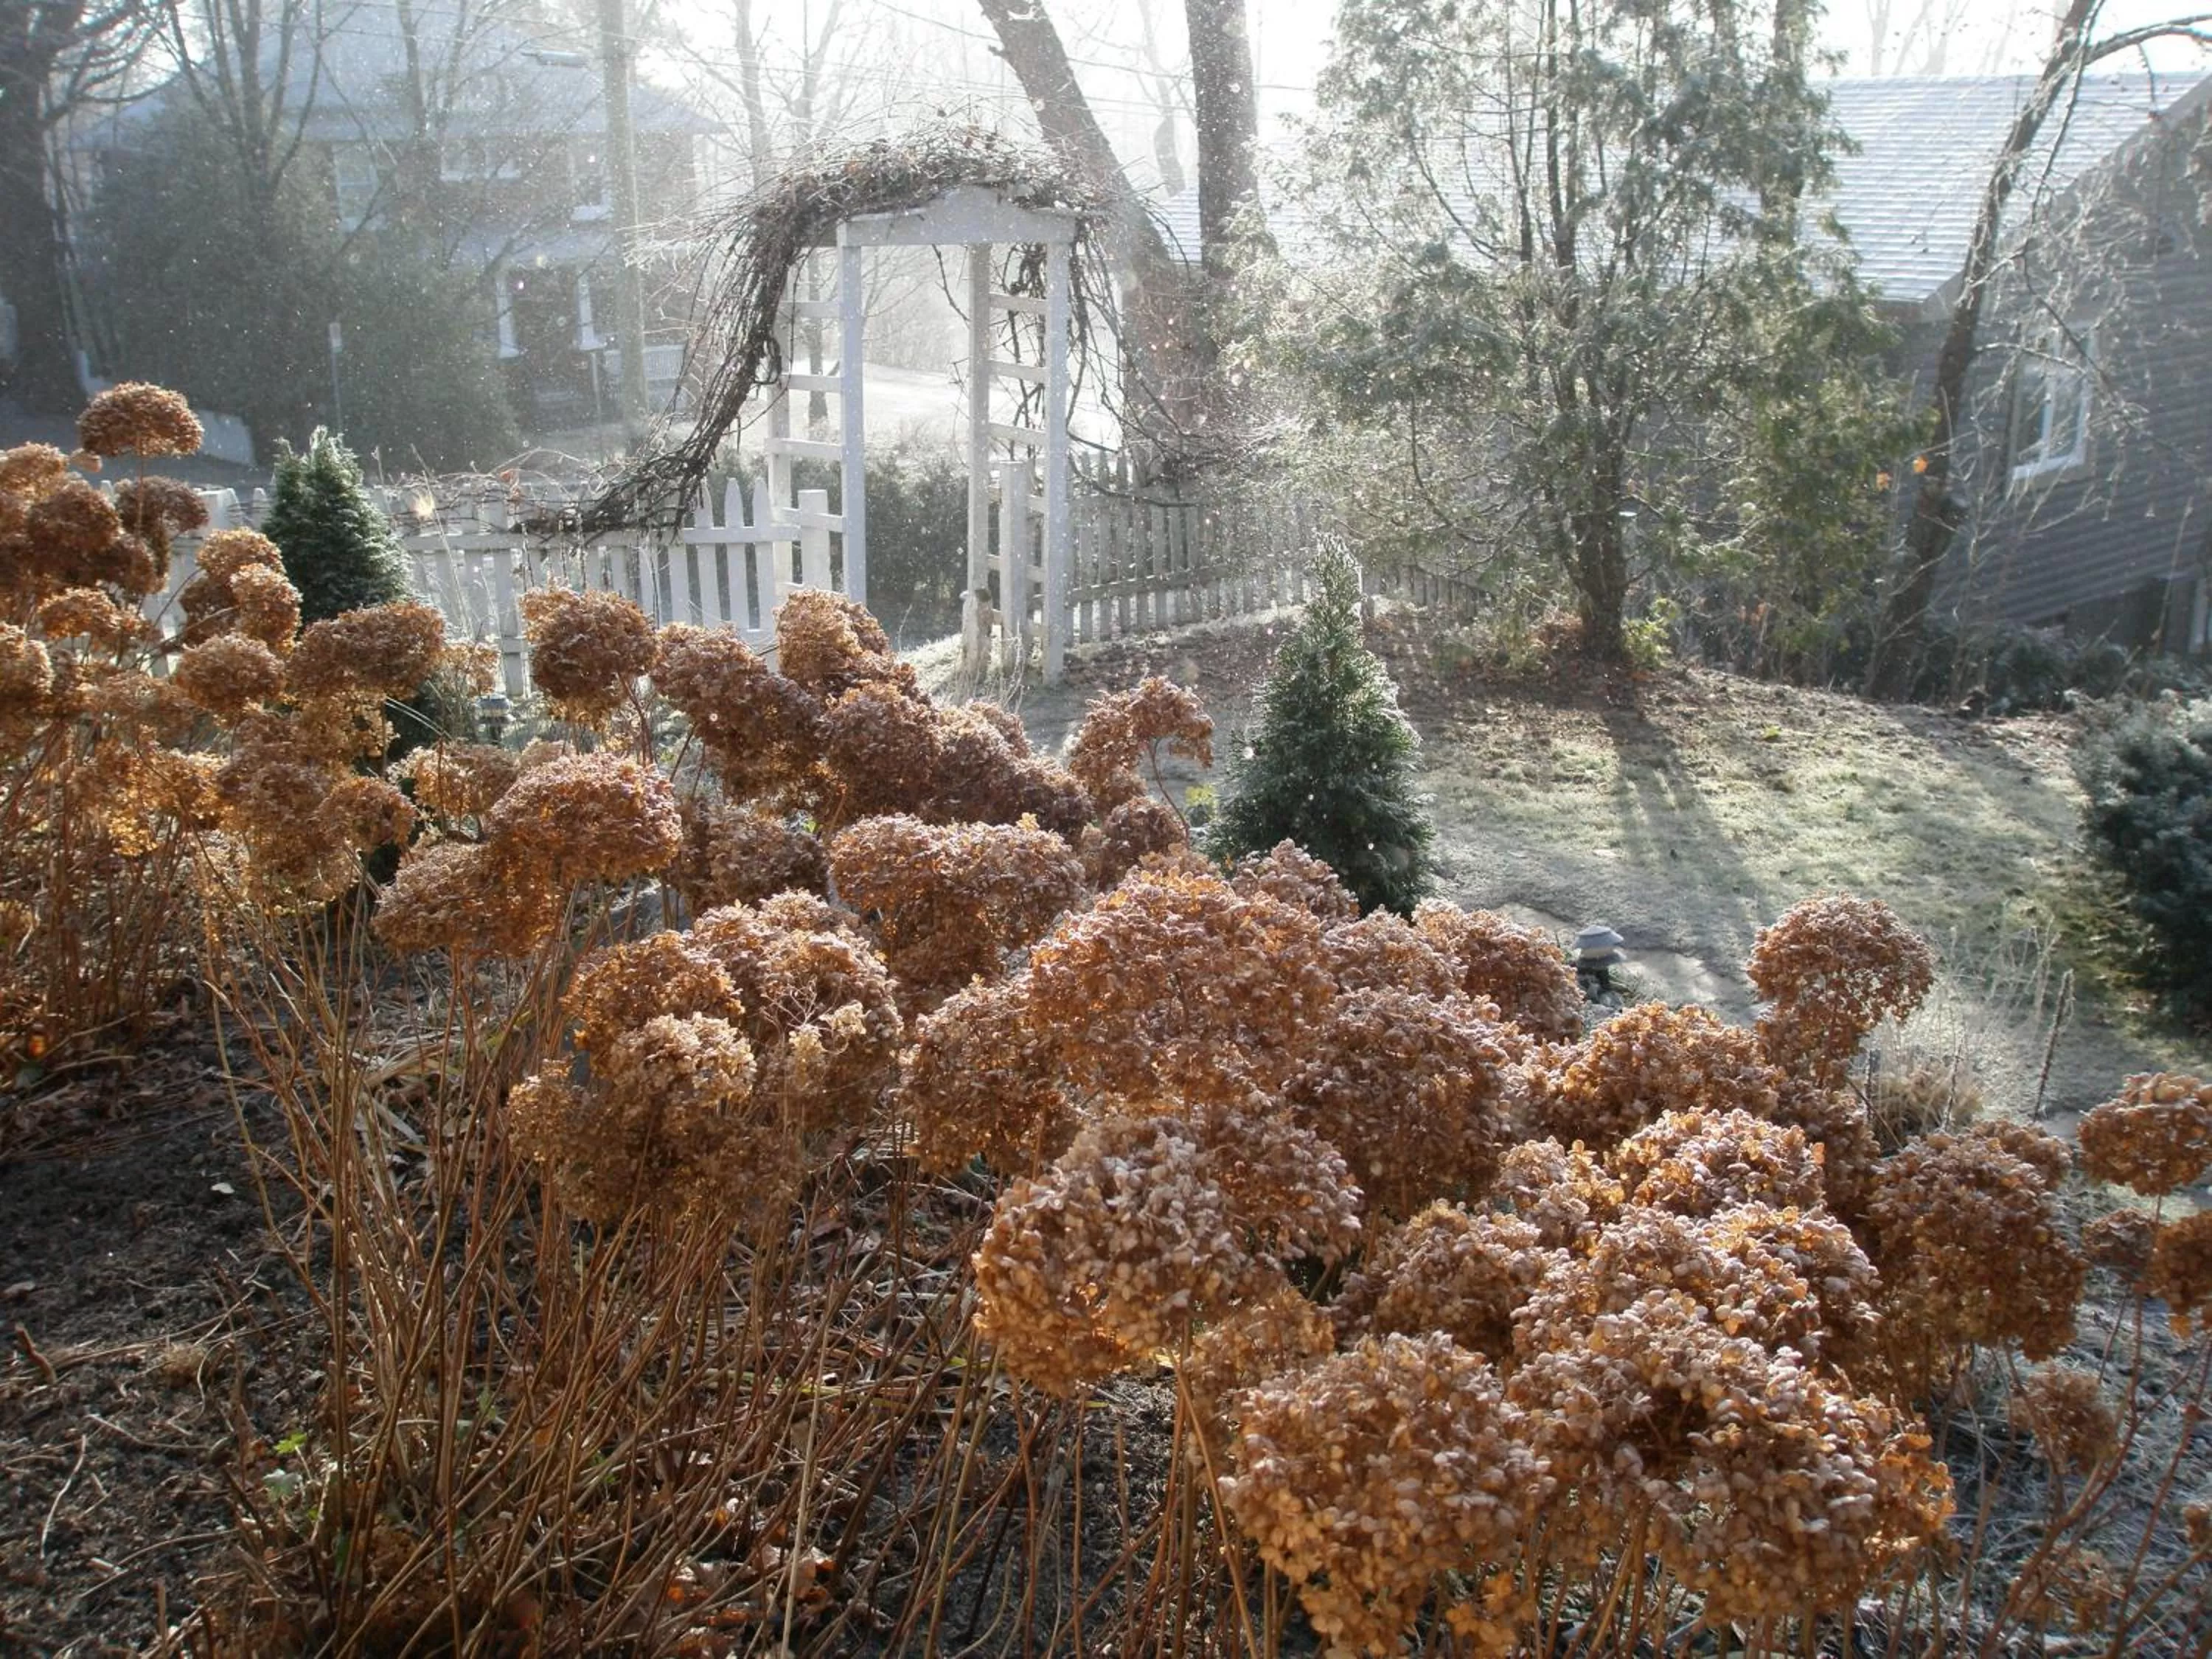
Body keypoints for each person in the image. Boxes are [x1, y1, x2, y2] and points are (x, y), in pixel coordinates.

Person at [1573, 923, 1628, 1007]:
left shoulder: (1602, 968)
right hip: (1590, 992)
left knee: (1603, 978)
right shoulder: (1583, 970)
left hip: (1600, 985)